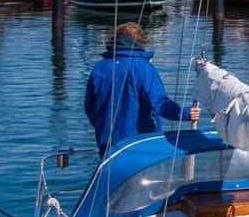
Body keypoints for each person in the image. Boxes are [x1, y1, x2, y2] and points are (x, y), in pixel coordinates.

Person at [84, 23, 200, 154]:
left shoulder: (99, 67)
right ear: (139, 42)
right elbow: (159, 103)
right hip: (138, 143)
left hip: (107, 145)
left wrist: (102, 126)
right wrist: (183, 113)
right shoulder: (143, 68)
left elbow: (89, 106)